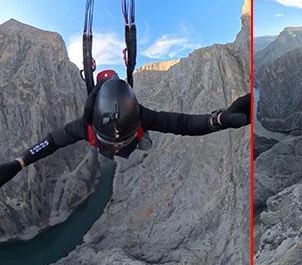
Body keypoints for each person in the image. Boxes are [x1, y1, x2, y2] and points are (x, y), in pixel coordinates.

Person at [0, 70, 250, 188]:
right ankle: (131, 141)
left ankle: (130, 141)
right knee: (139, 141)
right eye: (114, 141)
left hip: (121, 138)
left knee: (142, 141)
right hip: (123, 138)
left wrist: (218, 119)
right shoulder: (84, 126)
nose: (117, 143)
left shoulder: (140, 116)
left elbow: (181, 124)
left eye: (121, 140)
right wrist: (19, 163)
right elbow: (51, 142)